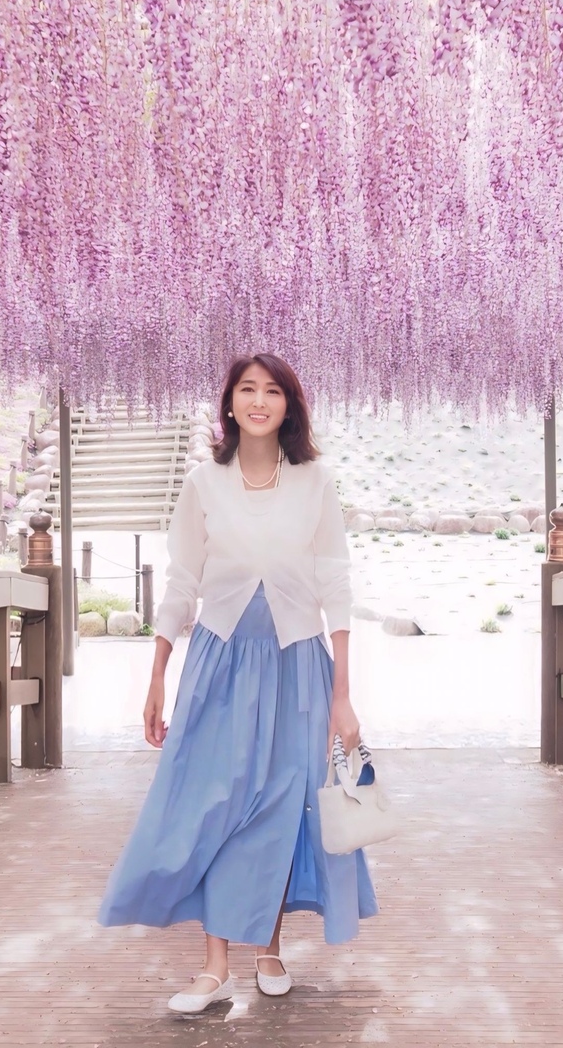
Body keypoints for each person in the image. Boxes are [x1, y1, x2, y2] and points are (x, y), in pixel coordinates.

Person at [98, 352, 378, 1013]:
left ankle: (269, 946)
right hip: (220, 662)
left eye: (272, 391)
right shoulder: (204, 483)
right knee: (214, 803)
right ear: (229, 403)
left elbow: (336, 584)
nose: (258, 400)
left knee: (280, 803)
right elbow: (182, 582)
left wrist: (342, 693)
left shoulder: (315, 481)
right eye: (247, 390)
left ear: (289, 405)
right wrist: (158, 673)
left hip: (295, 663)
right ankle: (215, 966)